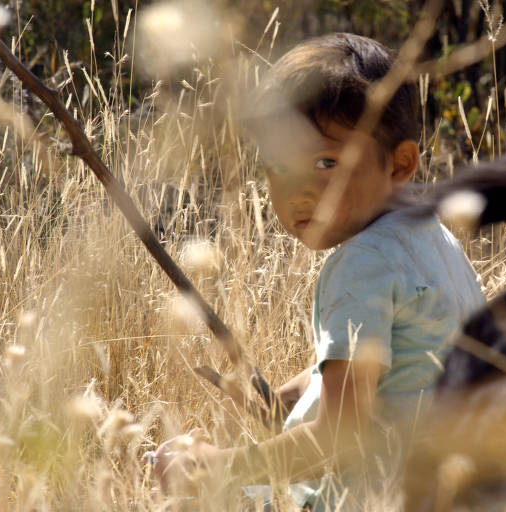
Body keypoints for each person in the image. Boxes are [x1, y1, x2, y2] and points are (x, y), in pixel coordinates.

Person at [153, 32, 485, 511]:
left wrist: (217, 465)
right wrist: (281, 400)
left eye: (326, 162)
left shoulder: (361, 265)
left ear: (400, 163)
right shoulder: (431, 237)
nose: (298, 191)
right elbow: (388, 369)